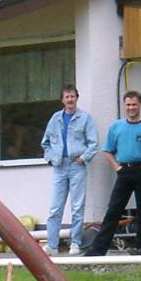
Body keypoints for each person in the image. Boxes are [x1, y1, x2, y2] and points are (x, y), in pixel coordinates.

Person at [83, 91, 141, 256]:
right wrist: (117, 167)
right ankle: (97, 250)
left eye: (134, 104)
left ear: (140, 105)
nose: (131, 108)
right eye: (128, 105)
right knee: (113, 211)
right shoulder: (117, 127)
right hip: (124, 171)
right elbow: (107, 150)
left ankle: (140, 247)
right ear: (124, 106)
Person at [40, 85, 99, 255]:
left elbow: (93, 143)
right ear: (62, 100)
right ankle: (52, 245)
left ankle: (75, 243)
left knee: (77, 207)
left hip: (77, 166)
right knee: (55, 208)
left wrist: (83, 158)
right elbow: (45, 143)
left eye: (72, 96)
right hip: (59, 166)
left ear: (77, 98)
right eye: (67, 97)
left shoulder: (85, 118)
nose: (70, 100)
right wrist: (51, 159)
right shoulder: (55, 119)